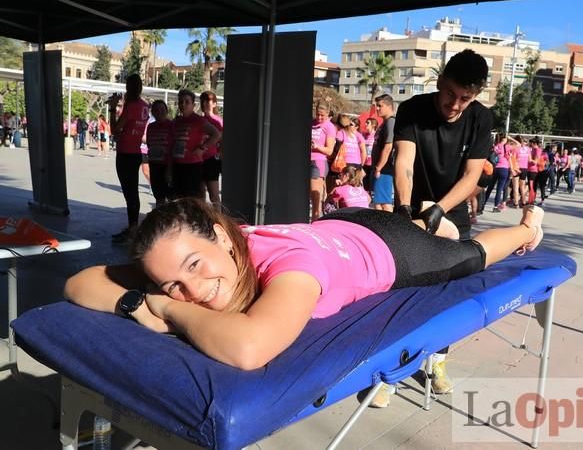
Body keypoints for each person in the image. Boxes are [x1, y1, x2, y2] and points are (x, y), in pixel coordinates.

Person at [63, 198, 545, 374]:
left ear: (223, 240)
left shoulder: (292, 269)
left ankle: (526, 226)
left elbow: (250, 349)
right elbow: (79, 283)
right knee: (425, 226)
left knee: (468, 257)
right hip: (338, 223)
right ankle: (426, 217)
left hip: (391, 252)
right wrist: (135, 299)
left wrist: (166, 310)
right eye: (172, 284)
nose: (194, 288)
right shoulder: (194, 256)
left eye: (195, 264)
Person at [394, 49, 493, 239]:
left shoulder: (481, 118)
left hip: (454, 218)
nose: (455, 105)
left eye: (465, 99)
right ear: (440, 82)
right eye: (450, 94)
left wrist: (439, 210)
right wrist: (403, 207)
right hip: (411, 212)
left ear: (476, 94)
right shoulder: (411, 109)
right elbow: (404, 162)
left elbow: (471, 175)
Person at [108, 74, 151, 244]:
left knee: (129, 193)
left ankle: (133, 229)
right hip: (135, 152)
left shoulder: (131, 106)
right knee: (132, 191)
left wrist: (112, 109)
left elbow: (114, 129)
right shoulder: (144, 106)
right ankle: (132, 227)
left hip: (125, 152)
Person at [171, 89, 222, 199]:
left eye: (187, 102)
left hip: (192, 166)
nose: (183, 104)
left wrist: (203, 148)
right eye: (180, 102)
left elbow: (216, 134)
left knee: (194, 201)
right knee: (178, 200)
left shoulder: (198, 120)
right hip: (177, 165)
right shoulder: (176, 122)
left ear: (193, 105)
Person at [310, 104, 336, 221]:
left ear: (327, 114)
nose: (319, 118)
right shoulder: (312, 123)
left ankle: (316, 220)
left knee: (316, 194)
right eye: (317, 115)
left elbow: (329, 150)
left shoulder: (329, 127)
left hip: (318, 161)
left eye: (322, 116)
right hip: (307, 160)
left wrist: (316, 146)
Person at [146, 100, 174, 207]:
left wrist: (169, 169)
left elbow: (173, 147)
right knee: (158, 195)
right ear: (152, 112)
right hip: (154, 165)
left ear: (166, 111)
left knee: (171, 196)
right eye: (156, 110)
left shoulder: (172, 125)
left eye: (162, 109)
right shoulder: (150, 127)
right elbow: (149, 144)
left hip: (167, 165)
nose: (159, 112)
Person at [371, 94, 396, 212]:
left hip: (385, 169)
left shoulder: (390, 122)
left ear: (389, 106)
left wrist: (379, 168)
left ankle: (388, 228)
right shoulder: (384, 123)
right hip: (381, 168)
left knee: (384, 203)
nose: (377, 108)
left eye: (380, 106)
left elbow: (388, 146)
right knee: (378, 203)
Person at [199, 91, 224, 207]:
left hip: (211, 160)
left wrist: (218, 154)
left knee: (214, 195)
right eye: (202, 101)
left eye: (208, 101)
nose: (204, 103)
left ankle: (219, 221)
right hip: (198, 160)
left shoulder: (219, 121)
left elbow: (223, 141)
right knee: (200, 195)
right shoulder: (198, 120)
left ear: (214, 104)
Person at [362, 117, 378, 191]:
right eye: (366, 122)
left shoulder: (376, 135)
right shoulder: (364, 135)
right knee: (364, 184)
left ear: (373, 125)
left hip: (372, 163)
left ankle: (371, 199)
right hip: (364, 163)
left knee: (371, 184)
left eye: (368, 123)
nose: (365, 124)